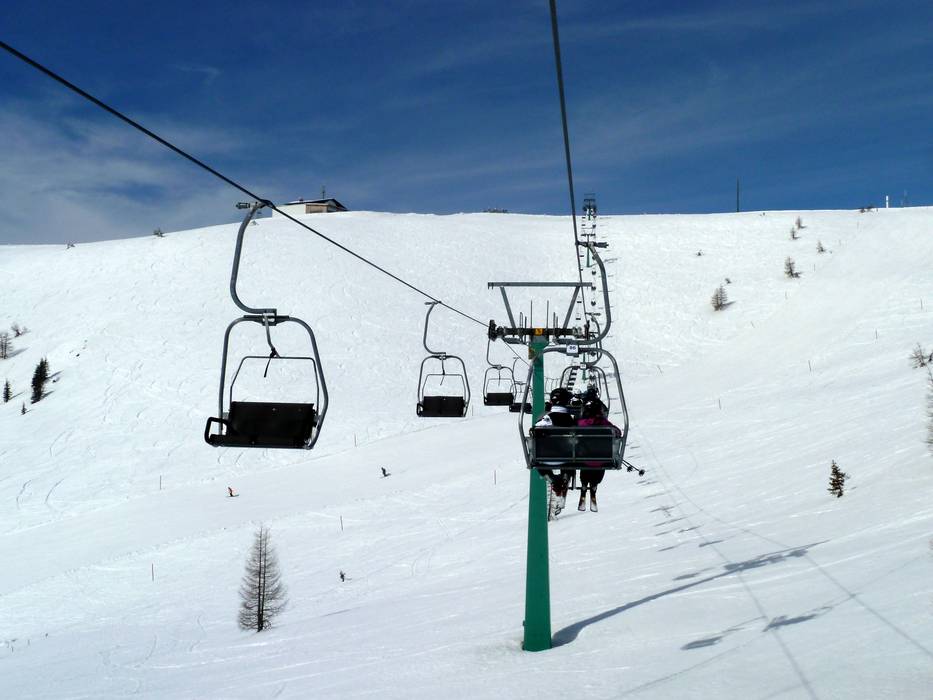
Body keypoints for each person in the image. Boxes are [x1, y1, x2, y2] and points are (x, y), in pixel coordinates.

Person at [535, 387, 577, 512]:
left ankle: (552, 479)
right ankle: (566, 475)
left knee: (538, 463)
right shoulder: (571, 419)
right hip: (565, 459)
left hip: (544, 458)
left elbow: (536, 429)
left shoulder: (547, 418)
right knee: (572, 457)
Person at [576, 399, 621, 512]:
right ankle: (594, 484)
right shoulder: (605, 424)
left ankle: (584, 484)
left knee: (586, 465)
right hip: (602, 459)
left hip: (584, 459)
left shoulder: (581, 423)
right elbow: (617, 432)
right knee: (598, 465)